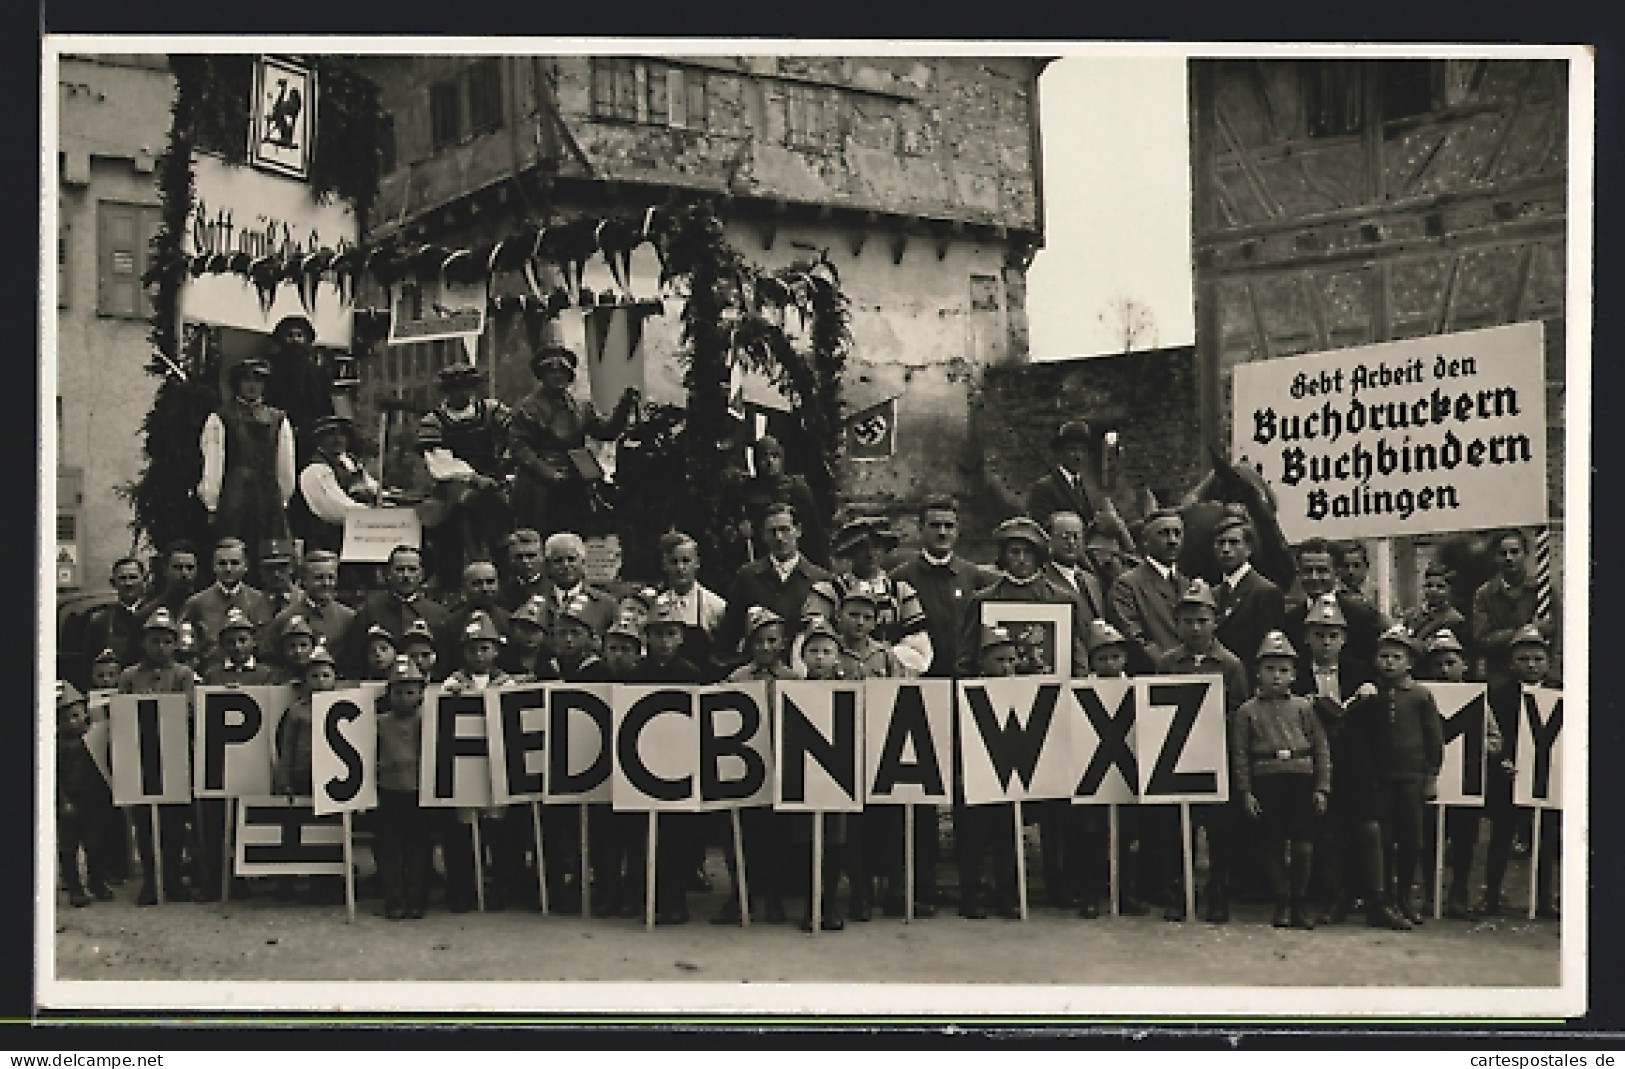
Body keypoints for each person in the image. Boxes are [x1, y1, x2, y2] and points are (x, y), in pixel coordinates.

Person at [887, 496, 994, 914]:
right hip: (919, 698)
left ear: (958, 529)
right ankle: (923, 882)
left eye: (949, 525)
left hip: (966, 695)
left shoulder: (975, 578)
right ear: (920, 528)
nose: (943, 532)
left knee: (970, 792)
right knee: (921, 792)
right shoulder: (902, 578)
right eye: (934, 525)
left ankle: (973, 883)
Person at [1155, 578, 1250, 922]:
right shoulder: (1168, 664)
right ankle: (1180, 892)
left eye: (1202, 620)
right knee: (1179, 830)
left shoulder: (1230, 664)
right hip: (1178, 757)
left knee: (1220, 830)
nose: (1195, 628)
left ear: (1215, 621)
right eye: (1187, 620)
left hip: (1217, 757)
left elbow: (1240, 711)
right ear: (1176, 623)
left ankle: (1217, 892)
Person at [1342, 625, 1442, 929]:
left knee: (1412, 839)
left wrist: (1431, 775)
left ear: (1409, 662)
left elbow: (1433, 738)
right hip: (1380, 778)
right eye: (1384, 656)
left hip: (1411, 777)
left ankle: (1404, 897)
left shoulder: (1421, 696)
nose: (1389, 662)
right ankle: (1382, 898)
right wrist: (1361, 697)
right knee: (1383, 839)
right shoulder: (1371, 693)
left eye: (1396, 656)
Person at [1232, 630, 1331, 929]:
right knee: (1272, 843)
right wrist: (1246, 791)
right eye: (1270, 669)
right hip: (1267, 779)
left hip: (1300, 778)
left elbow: (1321, 747)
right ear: (1258, 673)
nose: (1276, 676)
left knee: (1303, 844)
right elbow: (1240, 754)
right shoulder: (1247, 711)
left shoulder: (1304, 708)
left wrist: (1322, 787)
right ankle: (1282, 901)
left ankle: (1300, 901)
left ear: (1294, 675)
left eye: (1284, 670)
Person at [1290, 593, 1374, 924]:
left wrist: (1367, 696)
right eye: (1319, 635)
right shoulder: (1295, 674)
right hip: (1311, 759)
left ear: (1344, 639)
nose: (1326, 642)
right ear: (1307, 638)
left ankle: (1360, 893)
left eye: (1333, 635)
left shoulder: (1358, 672)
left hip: (1351, 760)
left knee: (1359, 823)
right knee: (1322, 827)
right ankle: (1326, 892)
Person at [717, 607, 797, 926]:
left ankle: (774, 897)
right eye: (759, 642)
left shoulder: (793, 679)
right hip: (743, 767)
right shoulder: (736, 679)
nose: (765, 647)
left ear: (782, 643)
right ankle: (740, 894)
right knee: (738, 834)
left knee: (775, 838)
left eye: (772, 641)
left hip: (778, 766)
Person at [508, 344, 639, 539]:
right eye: (551, 372)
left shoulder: (581, 405)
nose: (558, 376)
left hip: (577, 473)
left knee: (582, 530)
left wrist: (623, 407)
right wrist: (548, 473)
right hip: (540, 478)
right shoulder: (528, 408)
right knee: (540, 533)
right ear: (541, 376)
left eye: (563, 372)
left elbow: (605, 432)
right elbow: (519, 449)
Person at [439, 611, 522, 913]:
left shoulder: (506, 681)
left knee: (497, 832)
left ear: (496, 650)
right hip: (463, 766)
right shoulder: (453, 682)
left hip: (494, 766)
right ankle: (462, 889)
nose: (478, 654)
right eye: (472, 648)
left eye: (484, 648)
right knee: (462, 833)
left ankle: (501, 888)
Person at [1418, 628, 1502, 920]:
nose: (1444, 670)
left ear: (1463, 665)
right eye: (1437, 664)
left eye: (1450, 663)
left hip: (1466, 781)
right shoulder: (1422, 695)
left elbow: (1495, 738)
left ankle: (1458, 895)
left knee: (1465, 841)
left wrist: (1482, 749)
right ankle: (1430, 894)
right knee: (1428, 840)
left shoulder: (1475, 698)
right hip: (1431, 781)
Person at [117, 608, 197, 905]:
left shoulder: (183, 674)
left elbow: (188, 710)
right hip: (141, 758)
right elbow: (123, 713)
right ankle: (151, 880)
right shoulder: (129, 676)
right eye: (154, 641)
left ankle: (173, 878)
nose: (160, 648)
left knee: (173, 823)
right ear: (143, 643)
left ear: (175, 644)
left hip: (174, 755)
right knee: (144, 821)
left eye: (166, 642)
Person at [1481, 624, 1561, 919]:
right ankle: (1490, 895)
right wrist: (1501, 760)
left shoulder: (1559, 693)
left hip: (1546, 777)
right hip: (1509, 775)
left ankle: (1543, 899)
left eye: (1538, 659)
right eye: (1524, 659)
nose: (1531, 665)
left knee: (1546, 837)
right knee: (1501, 835)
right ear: (1511, 663)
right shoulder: (1498, 694)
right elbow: (1490, 732)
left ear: (1548, 662)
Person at [1069, 619, 1145, 916]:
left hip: (1126, 772)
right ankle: (1090, 893)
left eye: (1115, 657)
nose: (1110, 664)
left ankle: (1126, 892)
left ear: (1124, 658)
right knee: (1091, 836)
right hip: (1092, 773)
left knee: (1127, 836)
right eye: (1102, 658)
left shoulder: (1135, 688)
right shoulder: (1082, 690)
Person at [955, 516, 1090, 679]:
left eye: (1028, 552)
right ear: (1004, 556)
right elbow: (966, 662)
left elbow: (1078, 660)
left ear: (1038, 555)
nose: (1021, 559)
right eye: (1014, 552)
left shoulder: (1064, 600)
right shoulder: (982, 600)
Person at [417, 361, 514, 588]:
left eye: (466, 387)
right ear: (446, 392)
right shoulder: (434, 421)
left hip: (495, 476)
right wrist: (474, 478)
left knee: (507, 507)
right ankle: (454, 574)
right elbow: (440, 464)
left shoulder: (492, 410)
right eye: (454, 389)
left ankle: (506, 571)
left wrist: (507, 464)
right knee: (462, 507)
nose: (461, 393)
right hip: (453, 482)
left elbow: (516, 437)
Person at [198, 357, 296, 576]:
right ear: (237, 384)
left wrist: (283, 497)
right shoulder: (221, 417)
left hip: (268, 492)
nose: (253, 386)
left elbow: (285, 461)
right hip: (235, 492)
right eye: (247, 380)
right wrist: (212, 503)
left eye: (259, 380)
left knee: (270, 552)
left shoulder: (277, 418)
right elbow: (213, 460)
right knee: (235, 546)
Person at [954, 625, 1025, 920]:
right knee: (972, 838)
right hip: (973, 774)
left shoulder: (1025, 691)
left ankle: (1006, 894)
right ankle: (972, 893)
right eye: (999, 661)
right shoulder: (965, 691)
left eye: (1011, 660)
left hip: (1007, 775)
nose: (1007, 667)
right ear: (983, 662)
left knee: (1006, 837)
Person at [793, 619, 857, 932]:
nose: (820, 657)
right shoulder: (792, 690)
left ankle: (829, 903)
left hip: (839, 776)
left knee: (836, 841)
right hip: (803, 775)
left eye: (826, 651)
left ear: (837, 656)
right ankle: (810, 905)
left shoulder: (849, 689)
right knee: (805, 842)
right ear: (803, 656)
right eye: (813, 651)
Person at [806, 517, 932, 676]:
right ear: (850, 551)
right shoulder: (829, 592)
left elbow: (920, 650)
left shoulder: (900, 592)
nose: (870, 554)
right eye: (862, 548)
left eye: (877, 547)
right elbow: (810, 643)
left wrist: (884, 659)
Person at [716, 503, 833, 668]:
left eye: (785, 529)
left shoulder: (819, 579)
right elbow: (728, 636)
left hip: (803, 678)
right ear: (763, 535)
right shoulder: (748, 577)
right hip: (757, 676)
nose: (779, 537)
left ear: (798, 530)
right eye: (772, 531)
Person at [1023, 420, 1133, 556]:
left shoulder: (1084, 487)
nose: (1078, 456)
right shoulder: (1043, 488)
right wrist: (1093, 528)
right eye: (1072, 450)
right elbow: (1043, 530)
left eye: (1083, 451)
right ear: (1060, 453)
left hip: (1086, 553)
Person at [374, 655, 430, 920]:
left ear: (420, 693)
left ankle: (417, 897)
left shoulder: (428, 721)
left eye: (410, 692)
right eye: (398, 691)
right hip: (389, 790)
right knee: (390, 847)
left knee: (418, 846)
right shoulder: (380, 722)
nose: (404, 698)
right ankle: (394, 897)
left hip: (419, 791)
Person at [1283, 538, 1387, 678]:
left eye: (1322, 571)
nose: (1314, 577)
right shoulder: (1290, 621)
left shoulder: (1361, 616)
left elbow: (1373, 667)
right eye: (1308, 571)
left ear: (1336, 572)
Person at [1211, 506, 1286, 693]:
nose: (1226, 549)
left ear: (1249, 548)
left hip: (1249, 688)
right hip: (1216, 687)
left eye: (1233, 543)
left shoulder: (1265, 591)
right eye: (1220, 543)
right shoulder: (1213, 593)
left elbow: (1268, 650)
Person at [344, 546, 449, 678]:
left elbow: (445, 661)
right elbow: (354, 660)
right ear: (388, 573)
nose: (406, 575)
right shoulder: (369, 611)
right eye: (400, 569)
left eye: (412, 570)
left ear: (421, 574)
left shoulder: (438, 614)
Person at [728, 435, 830, 568]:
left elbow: (813, 531)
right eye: (764, 457)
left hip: (792, 556)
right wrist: (740, 531)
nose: (769, 462)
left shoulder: (797, 488)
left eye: (775, 456)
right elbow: (730, 526)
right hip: (760, 557)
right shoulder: (746, 491)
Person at [1472, 528, 1558, 687]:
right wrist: (1524, 630)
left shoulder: (1543, 590)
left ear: (1525, 554)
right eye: (1502, 553)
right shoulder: (1485, 594)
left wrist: (1552, 672)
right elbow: (1482, 639)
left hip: (1540, 676)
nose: (1509, 558)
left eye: (1514, 552)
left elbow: (1557, 632)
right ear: (1495, 558)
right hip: (1500, 675)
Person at [57, 682, 113, 907]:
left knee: (95, 842)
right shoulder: (59, 745)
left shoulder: (95, 738)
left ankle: (97, 881)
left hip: (95, 798)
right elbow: (56, 777)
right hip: (71, 800)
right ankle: (74, 888)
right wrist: (63, 801)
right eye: (68, 718)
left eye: (78, 715)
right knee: (69, 845)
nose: (75, 721)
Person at [1108, 507, 1185, 672]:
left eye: (1177, 533)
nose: (1172, 540)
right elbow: (1134, 637)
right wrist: (1170, 665)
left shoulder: (1188, 585)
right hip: (1151, 676)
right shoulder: (1127, 585)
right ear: (1146, 541)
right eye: (1164, 533)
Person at [180, 538, 276, 666]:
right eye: (222, 563)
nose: (228, 569)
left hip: (252, 678)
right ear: (213, 566)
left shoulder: (260, 600)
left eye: (235, 563)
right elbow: (186, 649)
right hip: (209, 677)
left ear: (245, 566)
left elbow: (267, 647)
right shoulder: (196, 603)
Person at [297, 415, 381, 553]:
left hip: (355, 537)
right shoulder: (315, 470)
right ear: (319, 439)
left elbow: (371, 486)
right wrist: (371, 513)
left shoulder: (350, 463)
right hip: (328, 542)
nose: (338, 440)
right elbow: (335, 508)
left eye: (342, 435)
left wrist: (386, 498)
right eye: (331, 435)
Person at [263, 551, 356, 667]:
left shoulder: (349, 618)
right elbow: (269, 661)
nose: (326, 583)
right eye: (319, 578)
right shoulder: (285, 618)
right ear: (304, 580)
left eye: (331, 577)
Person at [654, 531, 728, 674]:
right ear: (665, 565)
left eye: (686, 561)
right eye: (673, 562)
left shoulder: (716, 605)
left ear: (697, 563)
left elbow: (724, 654)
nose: (680, 568)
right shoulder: (657, 605)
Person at [262, 315, 334, 450]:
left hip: (312, 430)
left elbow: (325, 401)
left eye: (299, 335)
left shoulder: (317, 369)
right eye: (290, 335)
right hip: (280, 428)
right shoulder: (272, 366)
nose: (295, 340)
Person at [437, 561, 512, 676]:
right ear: (464, 588)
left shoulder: (509, 621)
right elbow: (444, 667)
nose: (485, 588)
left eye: (490, 582)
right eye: (477, 584)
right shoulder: (450, 624)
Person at [82, 556, 153, 675]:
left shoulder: (155, 616)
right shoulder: (100, 622)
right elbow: (87, 668)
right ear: (113, 583)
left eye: (133, 577)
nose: (128, 583)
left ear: (144, 580)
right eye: (122, 578)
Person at [1041, 511, 1108, 627]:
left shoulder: (1091, 580)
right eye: (1065, 537)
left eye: (1076, 537)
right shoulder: (1043, 580)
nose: (1071, 543)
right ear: (1049, 540)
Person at [1404, 560, 1472, 665]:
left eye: (1440, 587)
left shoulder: (1454, 620)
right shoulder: (1411, 615)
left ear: (1450, 590)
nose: (1433, 590)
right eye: (1429, 586)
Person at [498, 596, 558, 681]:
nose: (530, 635)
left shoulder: (551, 658)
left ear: (544, 633)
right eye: (525, 629)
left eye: (535, 630)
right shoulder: (503, 658)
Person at [146, 542, 202, 615]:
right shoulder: (149, 612)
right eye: (177, 567)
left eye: (190, 568)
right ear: (165, 570)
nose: (184, 573)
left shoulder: (207, 610)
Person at [257, 540, 301, 618]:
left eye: (282, 568)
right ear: (261, 571)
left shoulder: (303, 601)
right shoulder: (253, 603)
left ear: (291, 568)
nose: (276, 574)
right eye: (270, 568)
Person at [1334, 541, 1375, 606]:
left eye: (1356, 565)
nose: (1351, 571)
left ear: (1366, 567)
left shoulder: (1373, 597)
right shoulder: (1333, 599)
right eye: (1346, 566)